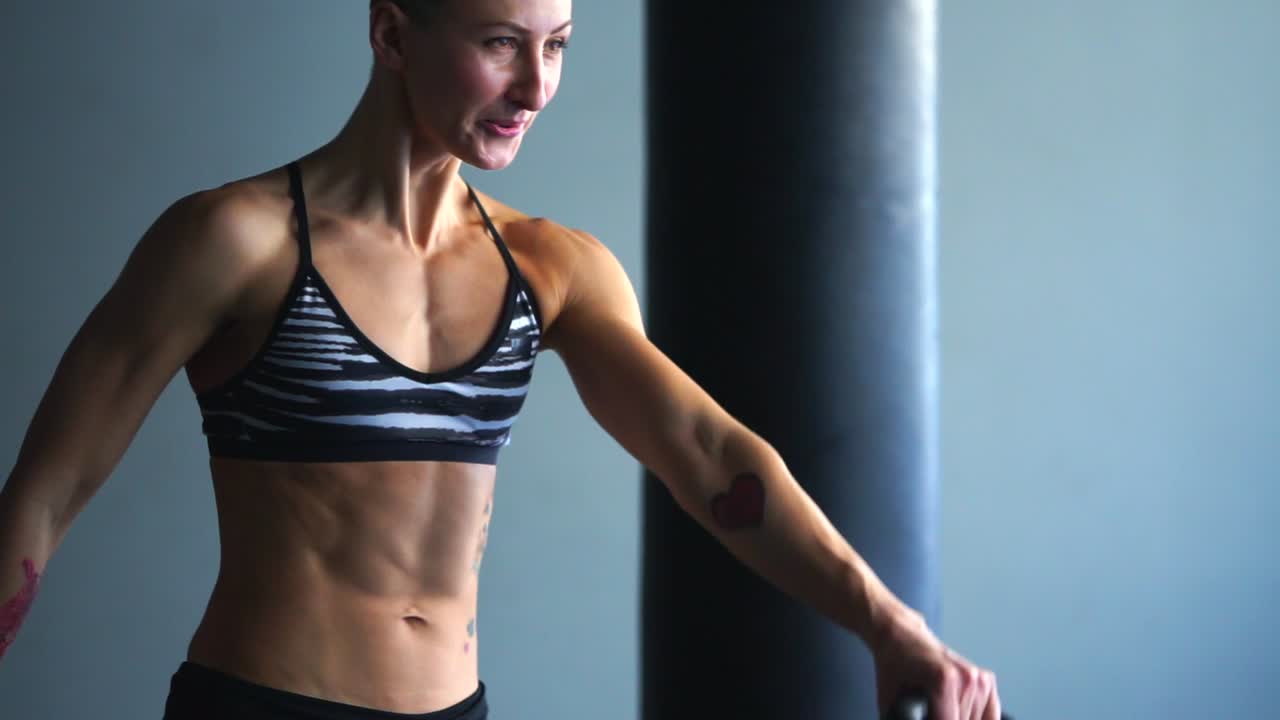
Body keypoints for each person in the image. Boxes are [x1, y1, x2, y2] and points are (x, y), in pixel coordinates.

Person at [0, 1, 1003, 718]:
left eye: (557, 47)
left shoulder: (548, 266)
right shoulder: (236, 240)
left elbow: (705, 452)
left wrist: (889, 627)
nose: (535, 88)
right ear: (392, 32)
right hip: (267, 705)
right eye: (499, 45)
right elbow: (42, 497)